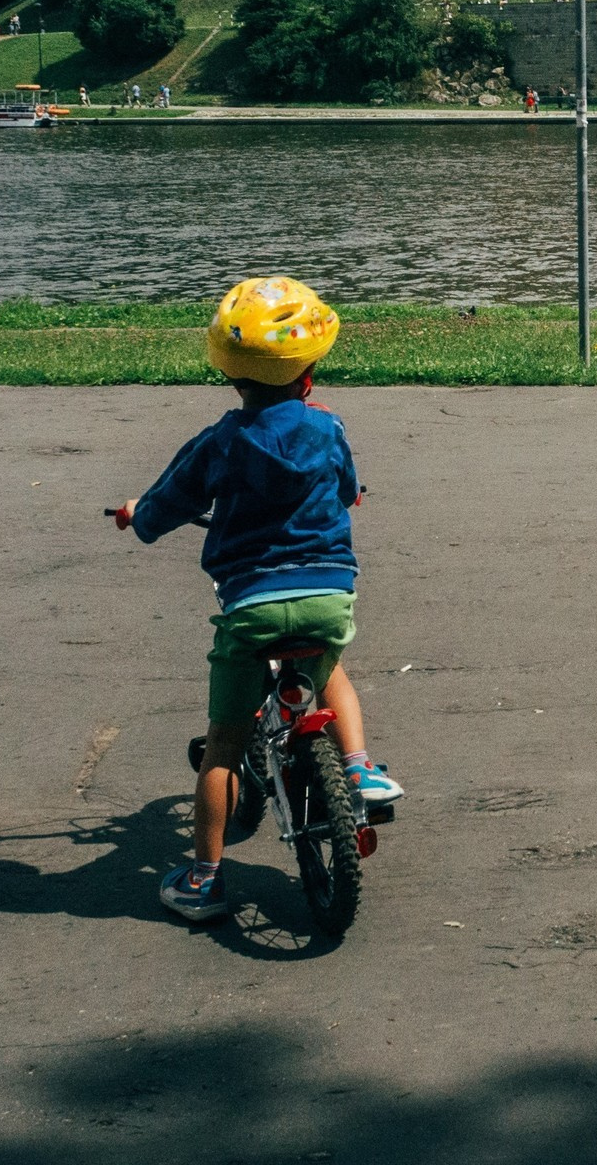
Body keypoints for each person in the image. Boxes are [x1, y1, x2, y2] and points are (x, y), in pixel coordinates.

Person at [107, 276, 402, 924]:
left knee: (222, 746)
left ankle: (204, 881)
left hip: (252, 607)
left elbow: (168, 504)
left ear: (233, 377)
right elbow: (349, 486)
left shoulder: (222, 441)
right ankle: (359, 770)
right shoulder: (328, 430)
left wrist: (139, 515)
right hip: (327, 596)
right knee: (334, 679)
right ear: (310, 374)